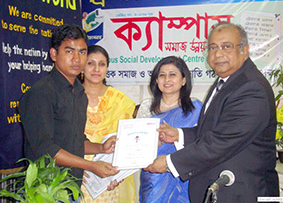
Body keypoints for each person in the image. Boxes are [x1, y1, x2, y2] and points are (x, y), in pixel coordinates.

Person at [145, 22, 279, 203]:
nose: (218, 54)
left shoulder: (251, 88)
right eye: (213, 47)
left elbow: (222, 141)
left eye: (227, 47)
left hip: (242, 193)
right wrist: (179, 134)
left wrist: (170, 163)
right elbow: (214, 130)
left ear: (245, 50)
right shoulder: (225, 82)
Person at [19, 24, 119, 203]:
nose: (76, 59)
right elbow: (45, 149)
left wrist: (100, 147)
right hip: (44, 191)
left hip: (70, 189)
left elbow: (74, 140)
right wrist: (91, 165)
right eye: (69, 51)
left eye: (82, 52)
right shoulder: (41, 93)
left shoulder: (79, 93)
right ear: (54, 54)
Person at [136, 56, 202, 203]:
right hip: (153, 179)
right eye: (162, 75)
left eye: (172, 75)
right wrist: (154, 144)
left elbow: (202, 145)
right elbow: (136, 144)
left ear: (183, 80)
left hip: (184, 179)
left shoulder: (196, 109)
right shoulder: (147, 107)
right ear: (156, 80)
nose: (167, 80)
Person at [79, 45, 136, 203]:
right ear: (82, 66)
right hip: (76, 172)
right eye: (91, 63)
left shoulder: (119, 100)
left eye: (102, 64)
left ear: (107, 68)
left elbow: (126, 143)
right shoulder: (70, 96)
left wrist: (118, 174)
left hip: (107, 175)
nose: (96, 69)